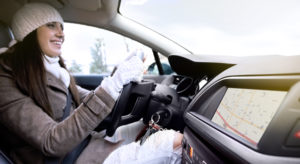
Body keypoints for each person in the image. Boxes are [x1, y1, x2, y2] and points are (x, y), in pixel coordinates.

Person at [0, 2, 183, 164]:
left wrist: (118, 78)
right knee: (175, 142)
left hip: (89, 143)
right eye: (51, 25)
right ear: (29, 31)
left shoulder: (55, 72)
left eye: (62, 27)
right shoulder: (6, 80)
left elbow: (88, 98)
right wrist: (112, 85)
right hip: (74, 158)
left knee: (149, 127)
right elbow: (51, 142)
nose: (61, 33)